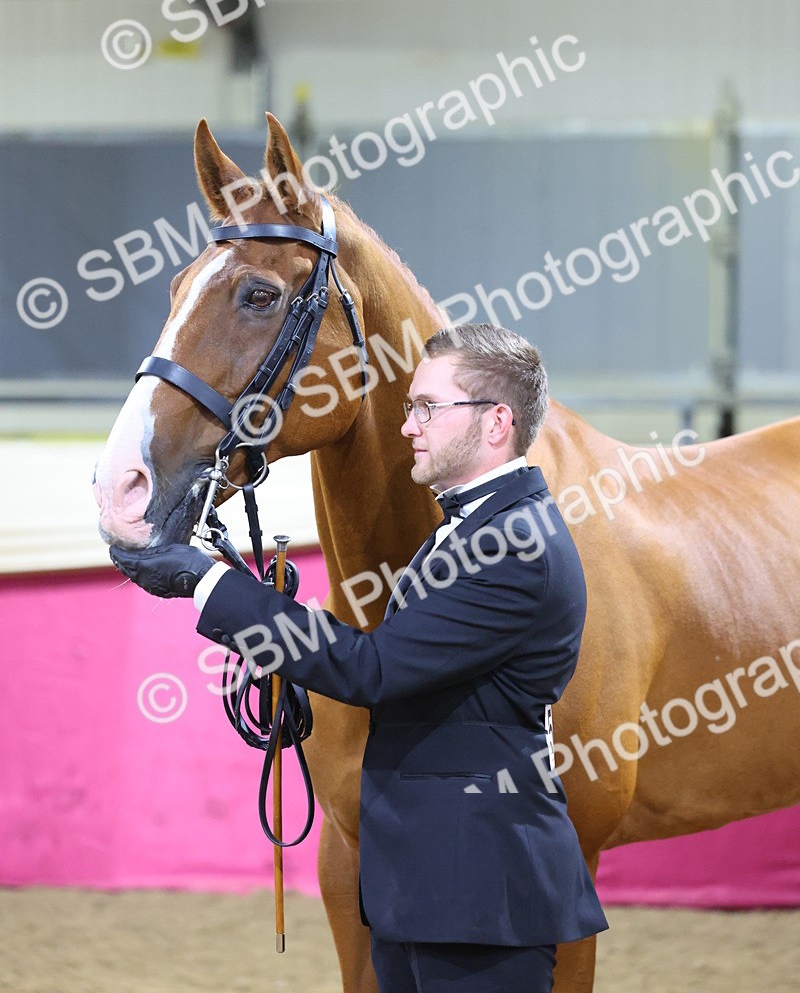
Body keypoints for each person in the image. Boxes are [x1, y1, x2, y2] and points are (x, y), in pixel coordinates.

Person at [111, 322, 608, 993]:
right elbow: (410, 667)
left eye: (427, 407)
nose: (407, 426)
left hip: (482, 897)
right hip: (431, 887)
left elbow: (373, 669)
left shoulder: (513, 545)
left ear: (496, 422)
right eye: (410, 406)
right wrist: (282, 636)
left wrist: (208, 584)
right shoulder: (473, 528)